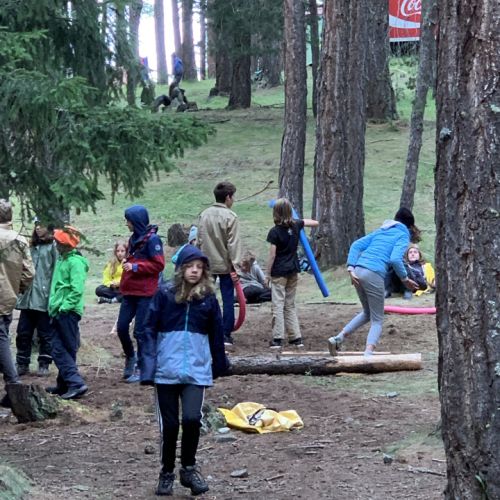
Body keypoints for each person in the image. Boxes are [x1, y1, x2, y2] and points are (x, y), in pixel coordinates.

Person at [142, 245, 229, 496]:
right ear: (181, 269)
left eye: (199, 267)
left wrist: (219, 364)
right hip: (165, 370)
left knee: (191, 419)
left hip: (196, 370)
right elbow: (147, 329)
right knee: (169, 426)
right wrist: (148, 366)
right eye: (190, 266)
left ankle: (189, 469)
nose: (194, 271)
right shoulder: (164, 294)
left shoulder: (208, 299)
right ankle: (166, 472)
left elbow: (217, 333)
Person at [328, 207, 419, 357]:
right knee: (377, 319)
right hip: (373, 273)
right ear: (409, 226)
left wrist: (351, 268)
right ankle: (368, 354)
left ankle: (338, 338)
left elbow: (356, 245)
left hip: (358, 271)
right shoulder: (403, 235)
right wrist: (405, 279)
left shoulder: (381, 231)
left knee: (368, 313)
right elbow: (395, 259)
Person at [117, 205, 165, 383]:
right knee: (122, 328)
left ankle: (142, 367)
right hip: (129, 292)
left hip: (145, 293)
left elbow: (159, 265)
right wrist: (128, 263)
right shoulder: (133, 239)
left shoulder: (153, 240)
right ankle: (131, 357)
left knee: (140, 332)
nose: (126, 224)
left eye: (128, 221)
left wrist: (136, 267)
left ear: (136, 221)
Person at [266, 198, 318, 349]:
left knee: (278, 305)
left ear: (275, 213)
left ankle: (277, 338)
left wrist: (267, 274)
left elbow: (272, 255)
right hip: (293, 270)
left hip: (279, 272)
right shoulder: (296, 225)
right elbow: (315, 223)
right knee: (289, 305)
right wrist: (299, 220)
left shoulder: (274, 232)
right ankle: (296, 338)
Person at [46, 225, 89, 400]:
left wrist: (64, 307)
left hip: (67, 312)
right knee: (63, 348)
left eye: (59, 242)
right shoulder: (63, 260)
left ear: (66, 245)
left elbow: (76, 290)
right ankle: (64, 384)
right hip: (59, 310)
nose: (56, 245)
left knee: (60, 349)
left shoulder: (75, 262)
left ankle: (76, 384)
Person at [0, 200, 35, 408]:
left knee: (1, 339)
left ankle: (14, 385)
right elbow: (29, 273)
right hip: (8, 298)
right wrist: (16, 288)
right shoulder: (19, 240)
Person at [198, 182, 242, 345]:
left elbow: (199, 239)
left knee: (205, 298)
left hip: (207, 264)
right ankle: (225, 334)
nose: (233, 200)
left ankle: (205, 329)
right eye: (233, 196)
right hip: (225, 266)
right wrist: (236, 267)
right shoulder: (231, 217)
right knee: (228, 299)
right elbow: (233, 244)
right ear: (228, 197)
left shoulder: (204, 215)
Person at [15, 220, 58, 377]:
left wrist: (52, 296)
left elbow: (55, 272)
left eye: (42, 224)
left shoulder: (53, 247)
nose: (38, 227)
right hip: (27, 298)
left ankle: (44, 364)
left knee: (45, 333)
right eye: (36, 225)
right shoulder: (31, 245)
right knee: (23, 332)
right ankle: (22, 363)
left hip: (44, 299)